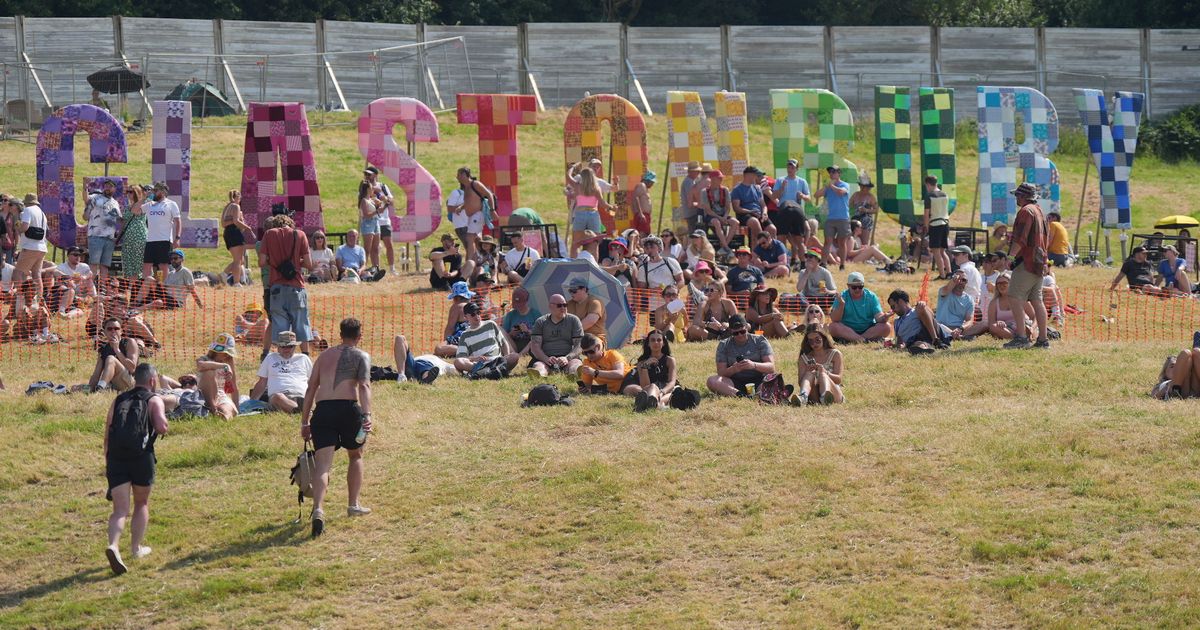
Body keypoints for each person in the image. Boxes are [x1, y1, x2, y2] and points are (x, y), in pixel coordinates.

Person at [301, 318, 374, 538]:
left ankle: (318, 509)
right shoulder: (361, 356)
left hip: (323, 411)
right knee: (356, 456)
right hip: (348, 410)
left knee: (323, 465)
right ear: (359, 336)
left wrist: (304, 421)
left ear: (340, 334)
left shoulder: (323, 356)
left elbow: (311, 388)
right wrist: (367, 414)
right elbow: (364, 386)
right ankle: (353, 504)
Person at [103, 362, 169, 576]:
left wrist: (108, 460)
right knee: (141, 503)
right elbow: (161, 427)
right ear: (152, 380)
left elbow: (108, 431)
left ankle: (113, 545)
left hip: (116, 458)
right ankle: (136, 549)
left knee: (119, 510)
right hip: (142, 458)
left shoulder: (119, 399)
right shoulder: (154, 399)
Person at [259, 212, 313, 354]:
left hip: (276, 288)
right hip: (296, 287)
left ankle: (282, 360)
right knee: (301, 325)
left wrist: (275, 262)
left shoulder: (269, 234)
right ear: (290, 223)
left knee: (280, 329)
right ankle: (305, 357)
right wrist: (295, 263)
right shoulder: (300, 234)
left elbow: (262, 262)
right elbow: (309, 264)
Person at [1006, 182, 1051, 349]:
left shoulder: (1025, 211)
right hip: (1039, 262)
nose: (1016, 198)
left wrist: (1010, 256)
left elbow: (1020, 239)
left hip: (1026, 261)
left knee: (1014, 297)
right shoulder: (1040, 211)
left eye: (1017, 195)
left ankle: (1021, 338)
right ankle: (1043, 340)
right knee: (1037, 300)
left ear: (1023, 196)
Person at [706, 314, 776, 397]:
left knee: (775, 379)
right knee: (712, 381)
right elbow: (721, 373)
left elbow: (771, 367)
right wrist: (734, 369)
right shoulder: (724, 345)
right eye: (736, 333)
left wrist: (753, 365)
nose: (740, 335)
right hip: (734, 382)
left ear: (747, 328)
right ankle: (740, 394)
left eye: (742, 332)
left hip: (759, 379)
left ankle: (759, 393)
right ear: (731, 331)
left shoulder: (760, 341)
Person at [250, 330, 312, 413]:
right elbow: (262, 382)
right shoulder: (270, 358)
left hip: (301, 395)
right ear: (278, 347)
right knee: (278, 397)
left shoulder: (303, 358)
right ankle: (301, 410)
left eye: (290, 346)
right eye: (283, 346)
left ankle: (298, 409)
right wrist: (251, 402)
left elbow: (313, 382)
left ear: (295, 347)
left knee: (302, 399)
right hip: (279, 396)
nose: (286, 349)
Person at [453, 302, 519, 375]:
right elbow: (462, 357)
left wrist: (505, 358)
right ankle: (490, 371)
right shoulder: (464, 335)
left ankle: (486, 372)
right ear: (465, 317)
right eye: (473, 314)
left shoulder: (491, 324)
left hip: (497, 361)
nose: (477, 316)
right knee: (458, 362)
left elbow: (503, 343)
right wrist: (475, 359)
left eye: (478, 313)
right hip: (479, 364)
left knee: (514, 356)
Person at [623, 329, 679, 411]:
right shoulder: (641, 363)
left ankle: (649, 403)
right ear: (648, 344)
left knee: (674, 393)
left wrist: (662, 392)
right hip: (651, 389)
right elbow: (645, 385)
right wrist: (645, 366)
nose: (656, 342)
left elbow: (672, 382)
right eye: (652, 340)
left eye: (659, 340)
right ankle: (655, 404)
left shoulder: (670, 360)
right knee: (652, 387)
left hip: (667, 389)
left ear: (663, 343)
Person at [529, 294, 584, 377]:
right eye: (559, 305)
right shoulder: (541, 322)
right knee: (539, 366)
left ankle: (574, 374)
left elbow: (579, 345)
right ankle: (540, 375)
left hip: (568, 358)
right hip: (545, 359)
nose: (563, 308)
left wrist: (567, 358)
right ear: (550, 306)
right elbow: (535, 347)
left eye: (565, 305)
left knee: (575, 364)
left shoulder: (573, 320)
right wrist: (546, 359)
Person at [829, 271, 892, 343]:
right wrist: (841, 304)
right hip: (847, 330)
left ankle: (855, 340)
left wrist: (885, 317)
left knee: (886, 327)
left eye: (860, 287)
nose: (857, 289)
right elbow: (835, 319)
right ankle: (864, 340)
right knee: (833, 327)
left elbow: (878, 317)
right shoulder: (842, 296)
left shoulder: (871, 296)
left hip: (868, 329)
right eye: (854, 287)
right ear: (848, 286)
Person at [566, 165, 611, 257]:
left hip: (580, 213)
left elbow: (568, 176)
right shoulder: (596, 189)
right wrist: (612, 207)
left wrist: (572, 167)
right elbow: (603, 204)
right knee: (595, 242)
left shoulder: (578, 186)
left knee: (575, 243)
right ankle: (594, 263)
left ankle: (574, 262)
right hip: (593, 214)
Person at [140, 182, 181, 281]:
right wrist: (144, 198)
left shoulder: (171, 204)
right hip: (150, 240)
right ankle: (147, 287)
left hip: (164, 240)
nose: (153, 193)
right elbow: (135, 211)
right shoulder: (150, 204)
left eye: (155, 191)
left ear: (162, 192)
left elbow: (178, 221)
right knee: (147, 265)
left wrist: (177, 238)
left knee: (162, 266)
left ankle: (162, 287)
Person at [814, 166, 852, 271]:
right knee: (827, 241)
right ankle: (823, 263)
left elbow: (841, 192)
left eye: (834, 172)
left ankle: (842, 264)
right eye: (830, 172)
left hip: (843, 218)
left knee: (842, 242)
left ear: (839, 174)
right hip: (831, 218)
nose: (831, 174)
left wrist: (832, 186)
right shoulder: (828, 187)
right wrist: (826, 187)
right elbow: (816, 195)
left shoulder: (845, 184)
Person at [89, 317, 140, 393]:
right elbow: (96, 375)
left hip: (130, 383)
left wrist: (117, 350)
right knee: (76, 388)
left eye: (116, 329)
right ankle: (100, 388)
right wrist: (88, 387)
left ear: (121, 331)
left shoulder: (129, 342)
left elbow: (132, 368)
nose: (113, 331)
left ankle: (100, 388)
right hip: (113, 384)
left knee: (111, 359)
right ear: (104, 332)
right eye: (109, 329)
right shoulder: (103, 349)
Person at [796, 325, 844, 405]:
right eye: (811, 341)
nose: (814, 343)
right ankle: (803, 397)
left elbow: (838, 379)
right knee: (809, 373)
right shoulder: (804, 358)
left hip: (834, 394)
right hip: (814, 395)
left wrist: (825, 372)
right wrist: (807, 372)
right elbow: (800, 383)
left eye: (817, 340)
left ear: (823, 338)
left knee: (823, 375)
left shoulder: (835, 354)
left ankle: (825, 396)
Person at [196, 333, 239, 419]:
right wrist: (224, 366)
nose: (227, 355)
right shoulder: (204, 359)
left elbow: (233, 385)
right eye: (224, 352)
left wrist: (236, 406)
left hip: (220, 395)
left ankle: (225, 416)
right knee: (209, 372)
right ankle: (213, 409)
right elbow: (201, 365)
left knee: (227, 408)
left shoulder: (228, 361)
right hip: (203, 394)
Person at [984, 272, 1037, 340]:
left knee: (1029, 328)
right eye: (999, 283)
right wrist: (998, 322)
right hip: (1007, 328)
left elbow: (1035, 317)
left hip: (1024, 325)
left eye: (1004, 283)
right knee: (994, 328)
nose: (1001, 285)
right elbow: (991, 323)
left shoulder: (1021, 299)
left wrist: (1032, 327)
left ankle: (1027, 334)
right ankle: (1017, 337)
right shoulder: (994, 303)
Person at [86, 180, 122, 279]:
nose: (107, 188)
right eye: (106, 186)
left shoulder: (115, 202)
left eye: (110, 186)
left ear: (114, 189)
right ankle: (91, 286)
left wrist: (118, 236)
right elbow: (86, 199)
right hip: (96, 236)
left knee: (105, 266)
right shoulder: (96, 197)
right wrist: (85, 186)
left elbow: (119, 219)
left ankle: (102, 287)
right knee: (94, 264)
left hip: (110, 239)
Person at [14, 193, 48, 300]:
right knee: (36, 274)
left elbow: (25, 227)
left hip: (30, 247)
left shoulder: (28, 210)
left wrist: (17, 228)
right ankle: (39, 299)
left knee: (18, 272)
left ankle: (20, 298)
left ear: (26, 203)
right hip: (42, 247)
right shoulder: (42, 213)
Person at [922, 175, 951, 279]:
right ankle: (949, 272)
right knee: (943, 252)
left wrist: (925, 226)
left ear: (928, 184)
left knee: (936, 252)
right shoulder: (945, 194)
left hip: (935, 225)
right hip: (945, 224)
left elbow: (926, 214)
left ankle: (942, 275)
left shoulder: (929, 196)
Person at [703, 170, 737, 258]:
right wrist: (720, 218)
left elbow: (727, 207)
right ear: (712, 179)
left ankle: (724, 246)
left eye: (721, 178)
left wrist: (725, 216)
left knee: (735, 222)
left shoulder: (725, 190)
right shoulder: (704, 192)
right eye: (719, 178)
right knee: (716, 222)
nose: (721, 180)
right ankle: (727, 248)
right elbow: (708, 210)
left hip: (723, 215)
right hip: (711, 216)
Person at [731, 166, 770, 243]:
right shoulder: (737, 189)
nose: (757, 177)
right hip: (745, 215)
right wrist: (750, 211)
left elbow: (763, 205)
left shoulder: (757, 188)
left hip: (759, 213)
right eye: (756, 175)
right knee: (754, 222)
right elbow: (736, 208)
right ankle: (762, 246)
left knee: (772, 229)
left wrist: (765, 213)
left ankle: (771, 248)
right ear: (749, 175)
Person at [435, 281, 474, 357]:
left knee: (439, 349)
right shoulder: (472, 306)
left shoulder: (457, 307)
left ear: (457, 298)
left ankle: (466, 351)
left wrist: (447, 341)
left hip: (462, 337)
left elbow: (450, 327)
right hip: (475, 337)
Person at [935, 270, 977, 339]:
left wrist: (961, 328)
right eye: (958, 279)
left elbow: (969, 320)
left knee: (984, 324)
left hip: (958, 328)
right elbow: (947, 288)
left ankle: (955, 335)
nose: (960, 282)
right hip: (942, 327)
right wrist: (954, 280)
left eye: (963, 280)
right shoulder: (944, 291)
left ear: (966, 282)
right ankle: (957, 336)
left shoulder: (969, 299)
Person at [221, 190, 251, 286]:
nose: (240, 199)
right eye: (240, 197)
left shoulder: (226, 207)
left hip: (227, 233)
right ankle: (236, 282)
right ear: (237, 197)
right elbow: (236, 221)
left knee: (239, 260)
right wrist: (247, 227)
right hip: (235, 233)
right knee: (238, 261)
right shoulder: (236, 206)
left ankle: (228, 275)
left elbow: (223, 224)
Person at [357, 170, 384, 273]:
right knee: (367, 249)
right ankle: (363, 268)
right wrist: (376, 211)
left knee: (375, 248)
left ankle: (376, 267)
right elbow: (366, 215)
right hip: (368, 223)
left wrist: (380, 204)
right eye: (371, 188)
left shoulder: (371, 199)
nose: (373, 189)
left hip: (375, 222)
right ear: (368, 189)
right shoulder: (364, 201)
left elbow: (379, 209)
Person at [501, 286, 541, 354]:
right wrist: (511, 334)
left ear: (526, 301)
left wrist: (528, 331)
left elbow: (541, 335)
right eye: (516, 303)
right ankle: (516, 357)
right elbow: (503, 336)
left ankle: (519, 357)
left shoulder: (535, 314)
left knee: (533, 342)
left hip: (530, 348)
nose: (518, 306)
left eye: (520, 303)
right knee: (502, 334)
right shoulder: (510, 315)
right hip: (514, 347)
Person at [120, 187, 149, 281]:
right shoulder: (127, 207)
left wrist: (143, 198)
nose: (128, 194)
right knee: (129, 265)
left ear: (137, 193)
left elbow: (134, 211)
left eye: (131, 192)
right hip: (128, 239)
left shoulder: (143, 204)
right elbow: (124, 223)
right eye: (127, 191)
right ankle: (132, 286)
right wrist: (118, 238)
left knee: (138, 263)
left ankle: (141, 285)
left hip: (139, 238)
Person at [566, 278, 607, 342]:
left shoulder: (595, 302)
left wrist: (568, 333)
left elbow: (590, 321)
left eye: (574, 290)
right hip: (575, 339)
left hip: (594, 338)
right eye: (570, 291)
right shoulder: (568, 304)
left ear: (584, 289)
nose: (571, 293)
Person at [849, 173, 878, 246]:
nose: (868, 189)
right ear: (861, 186)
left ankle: (865, 252)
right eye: (866, 187)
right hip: (855, 221)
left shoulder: (871, 197)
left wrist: (866, 210)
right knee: (853, 240)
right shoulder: (855, 195)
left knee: (864, 242)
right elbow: (848, 205)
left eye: (868, 187)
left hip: (866, 221)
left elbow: (876, 210)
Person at [677, 161, 703, 232]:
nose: (698, 173)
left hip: (691, 212)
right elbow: (692, 197)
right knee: (693, 232)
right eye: (696, 171)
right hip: (691, 212)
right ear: (690, 172)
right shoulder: (688, 182)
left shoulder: (691, 181)